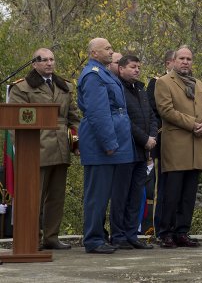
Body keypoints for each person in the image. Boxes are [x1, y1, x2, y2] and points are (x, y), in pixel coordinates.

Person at [8, 48, 81, 250]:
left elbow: (73, 118)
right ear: (34, 64)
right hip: (35, 149)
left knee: (56, 197)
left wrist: (77, 142)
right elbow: (16, 122)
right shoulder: (22, 88)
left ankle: (51, 237)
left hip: (61, 147)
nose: (49, 63)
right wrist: (22, 150)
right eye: (44, 60)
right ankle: (31, 238)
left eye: (52, 59)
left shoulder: (64, 86)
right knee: (33, 197)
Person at [76, 38, 135, 254]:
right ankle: (92, 239)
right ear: (94, 53)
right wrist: (109, 143)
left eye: (111, 47)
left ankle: (100, 236)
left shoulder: (105, 72)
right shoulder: (93, 75)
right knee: (97, 194)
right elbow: (98, 113)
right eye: (107, 48)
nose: (111, 51)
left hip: (114, 141)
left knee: (108, 193)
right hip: (101, 144)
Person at [154, 46, 202, 249]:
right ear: (174, 60)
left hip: (196, 146)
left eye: (189, 58)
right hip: (176, 146)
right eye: (182, 58)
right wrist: (192, 124)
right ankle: (165, 233)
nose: (185, 62)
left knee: (188, 195)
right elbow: (166, 110)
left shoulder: (198, 83)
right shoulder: (164, 82)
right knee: (172, 193)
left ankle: (182, 232)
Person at [113, 55, 157, 249]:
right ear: (121, 69)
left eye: (139, 66)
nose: (137, 70)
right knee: (121, 194)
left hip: (143, 151)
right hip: (126, 148)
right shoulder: (117, 88)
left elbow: (151, 116)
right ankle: (118, 235)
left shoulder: (140, 88)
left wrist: (153, 137)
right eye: (132, 67)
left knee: (136, 194)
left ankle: (132, 234)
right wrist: (144, 138)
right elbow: (124, 120)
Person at [147, 50, 176, 236]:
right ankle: (159, 227)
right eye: (177, 59)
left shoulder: (190, 84)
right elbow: (152, 112)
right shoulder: (156, 83)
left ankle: (177, 228)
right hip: (163, 138)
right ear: (167, 64)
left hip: (182, 143)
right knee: (162, 187)